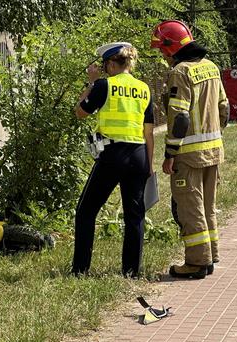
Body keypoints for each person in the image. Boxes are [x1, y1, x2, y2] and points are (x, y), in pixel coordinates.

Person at [151, 20, 229, 279]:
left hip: (189, 154)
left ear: (170, 46)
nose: (162, 55)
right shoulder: (212, 68)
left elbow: (180, 118)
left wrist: (171, 153)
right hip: (214, 151)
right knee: (208, 206)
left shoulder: (180, 72)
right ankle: (211, 255)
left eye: (162, 49)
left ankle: (196, 263)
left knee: (189, 207)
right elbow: (224, 108)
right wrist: (215, 136)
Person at [72, 42, 154, 278]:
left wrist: (91, 82)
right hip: (138, 155)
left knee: (86, 210)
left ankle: (80, 270)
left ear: (109, 64)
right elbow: (149, 132)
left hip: (112, 155)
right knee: (134, 215)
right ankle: (131, 272)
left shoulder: (104, 85)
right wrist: (149, 165)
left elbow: (80, 112)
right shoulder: (144, 88)